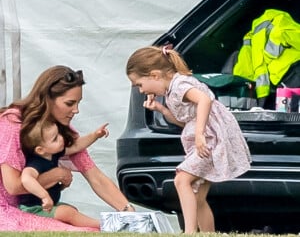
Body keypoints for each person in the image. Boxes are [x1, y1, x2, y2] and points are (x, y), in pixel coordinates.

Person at [126, 45, 251, 234]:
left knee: (181, 179)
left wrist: (200, 134)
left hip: (211, 139)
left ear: (155, 75)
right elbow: (185, 121)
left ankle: (190, 232)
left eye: (139, 84)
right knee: (198, 196)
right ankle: (209, 233)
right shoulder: (171, 92)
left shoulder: (180, 85)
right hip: (204, 138)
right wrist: (161, 110)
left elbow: (204, 100)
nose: (141, 90)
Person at [0, 65, 135, 231]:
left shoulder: (60, 132)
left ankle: (114, 226)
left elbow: (95, 176)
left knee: (78, 221)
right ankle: (109, 226)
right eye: (70, 103)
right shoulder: (12, 123)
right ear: (47, 98)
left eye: (78, 103)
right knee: (81, 230)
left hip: (36, 209)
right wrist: (56, 174)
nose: (76, 110)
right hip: (7, 212)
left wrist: (129, 212)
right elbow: (13, 187)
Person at [19, 120, 109, 229]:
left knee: (71, 209)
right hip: (33, 209)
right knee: (67, 213)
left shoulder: (54, 154)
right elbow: (26, 179)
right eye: (55, 139)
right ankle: (105, 225)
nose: (61, 139)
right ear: (40, 150)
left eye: (59, 134)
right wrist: (44, 196)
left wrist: (95, 135)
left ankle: (91, 226)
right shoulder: (36, 162)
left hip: (49, 205)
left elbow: (77, 146)